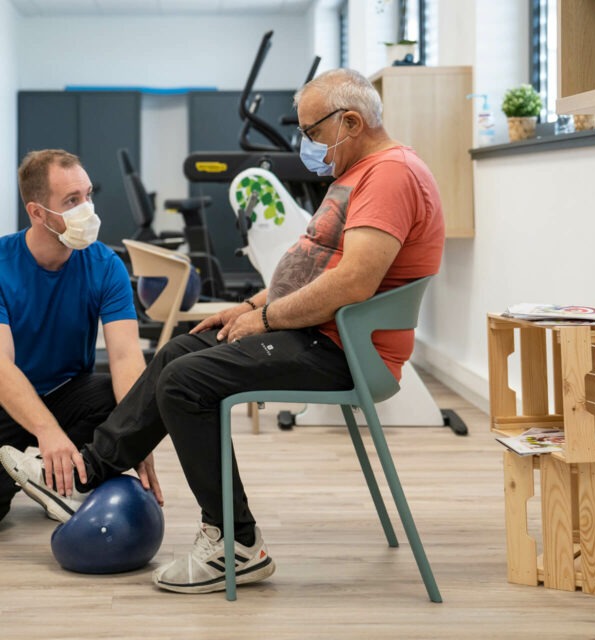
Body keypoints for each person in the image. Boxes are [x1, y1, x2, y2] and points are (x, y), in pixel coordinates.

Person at [0, 69, 444, 594]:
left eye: (312, 132)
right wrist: (249, 306)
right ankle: (88, 474)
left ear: (350, 121)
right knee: (177, 353)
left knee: (184, 381)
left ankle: (236, 543)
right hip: (314, 331)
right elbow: (318, 268)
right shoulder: (360, 175)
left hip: (342, 348)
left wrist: (268, 318)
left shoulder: (390, 175)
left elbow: (354, 280)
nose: (308, 145)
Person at [0, 149, 158, 524]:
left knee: (128, 397)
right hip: (9, 401)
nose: (86, 208)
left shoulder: (106, 265)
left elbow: (124, 359)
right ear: (37, 212)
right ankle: (38, 469)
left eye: (88, 195)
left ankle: (57, 479)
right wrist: (46, 431)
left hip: (69, 395)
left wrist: (137, 437)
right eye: (72, 201)